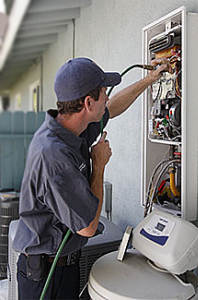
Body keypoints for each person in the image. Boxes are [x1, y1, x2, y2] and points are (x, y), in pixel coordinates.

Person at [13, 57, 172, 299]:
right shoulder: (54, 155)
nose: (107, 96)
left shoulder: (71, 126)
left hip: (61, 264)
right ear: (88, 102)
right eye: (103, 92)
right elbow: (87, 227)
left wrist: (148, 80)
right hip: (46, 275)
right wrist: (99, 166)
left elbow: (113, 108)